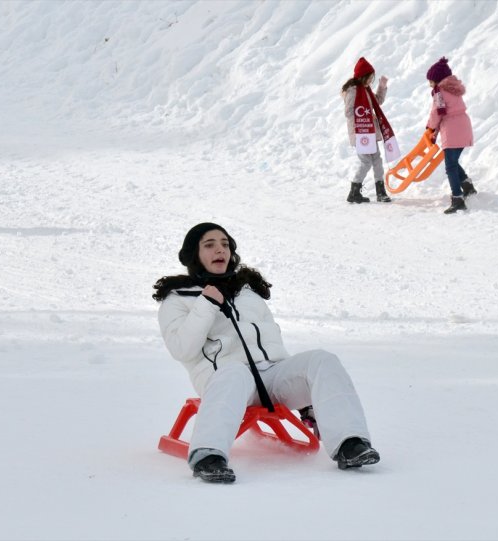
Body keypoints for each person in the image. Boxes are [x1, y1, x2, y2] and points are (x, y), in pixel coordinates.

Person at [153, 222, 379, 483]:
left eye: (225, 244)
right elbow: (182, 349)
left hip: (271, 376)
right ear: (194, 254)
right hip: (226, 380)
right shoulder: (178, 299)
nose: (220, 250)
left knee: (322, 360)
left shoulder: (247, 292)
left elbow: (271, 340)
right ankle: (208, 455)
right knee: (235, 373)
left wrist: (304, 390)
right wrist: (206, 304)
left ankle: (350, 444)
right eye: (210, 244)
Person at [342, 57, 399, 204]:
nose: (370, 81)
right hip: (360, 132)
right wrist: (366, 114)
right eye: (369, 78)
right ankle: (354, 191)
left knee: (377, 161)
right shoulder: (353, 91)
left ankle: (381, 192)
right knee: (366, 162)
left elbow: (378, 101)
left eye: (372, 78)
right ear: (362, 76)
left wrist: (382, 86)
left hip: (370, 132)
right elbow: (348, 112)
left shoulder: (366, 90)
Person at [425, 57, 478, 214]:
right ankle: (467, 186)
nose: (430, 84)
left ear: (437, 80)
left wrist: (430, 127)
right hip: (464, 126)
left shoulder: (439, 92)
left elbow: (437, 112)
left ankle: (457, 199)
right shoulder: (453, 89)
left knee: (450, 166)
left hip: (452, 128)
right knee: (453, 161)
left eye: (431, 81)